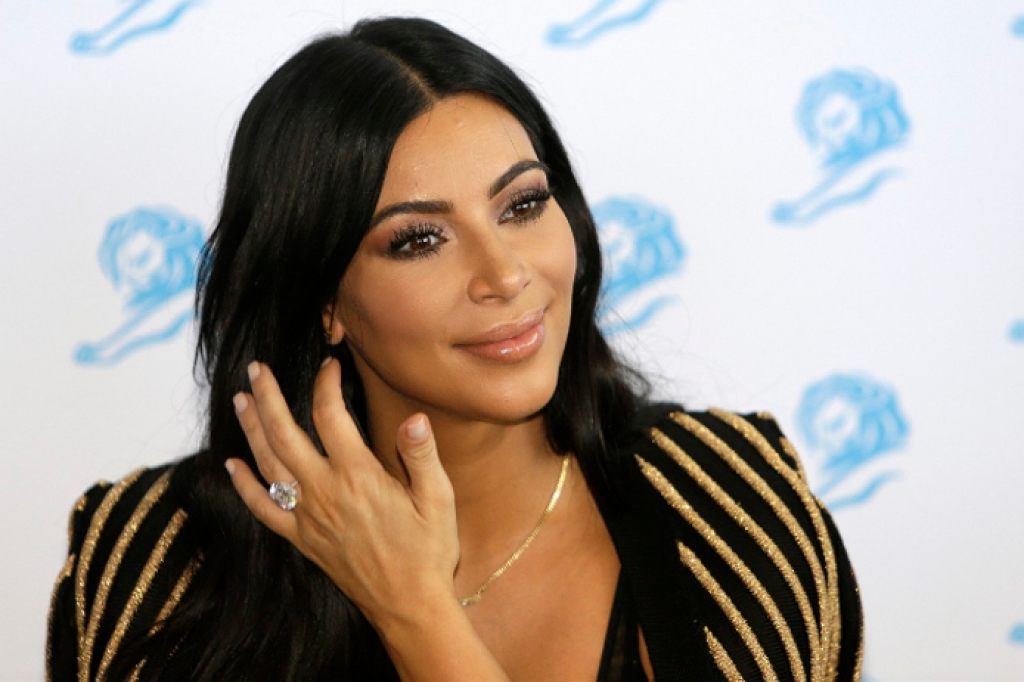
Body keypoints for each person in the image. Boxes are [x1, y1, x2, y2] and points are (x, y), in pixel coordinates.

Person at [47, 16, 863, 682]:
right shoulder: (154, 560)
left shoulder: (729, 500)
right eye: (419, 239)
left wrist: (413, 611)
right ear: (324, 299)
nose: (504, 274)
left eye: (522, 205)